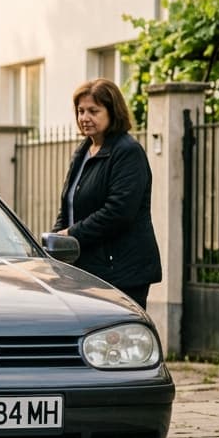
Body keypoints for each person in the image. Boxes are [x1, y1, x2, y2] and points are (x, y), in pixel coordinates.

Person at [52, 78, 162, 307]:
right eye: (80, 111)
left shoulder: (127, 152)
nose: (84, 118)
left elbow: (119, 212)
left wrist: (71, 234)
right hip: (86, 267)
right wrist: (55, 242)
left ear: (113, 112)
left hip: (121, 270)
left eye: (93, 111)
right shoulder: (83, 152)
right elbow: (69, 205)